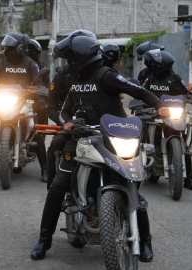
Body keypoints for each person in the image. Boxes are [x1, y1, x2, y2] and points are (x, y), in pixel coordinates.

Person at [30, 32, 171, 262]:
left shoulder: (107, 76)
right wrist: (65, 122)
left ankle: (144, 241)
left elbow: (139, 91)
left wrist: (159, 105)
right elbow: (65, 109)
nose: (67, 64)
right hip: (83, 139)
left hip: (115, 138)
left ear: (79, 59)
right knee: (58, 187)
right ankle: (44, 240)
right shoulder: (76, 81)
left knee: (132, 183)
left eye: (70, 60)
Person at [0, 33, 48, 182]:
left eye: (7, 47)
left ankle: (44, 170)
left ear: (18, 48)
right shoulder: (2, 63)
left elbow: (39, 82)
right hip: (3, 100)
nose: (5, 50)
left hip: (24, 102)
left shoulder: (30, 64)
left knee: (36, 132)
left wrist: (36, 89)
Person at [45, 30, 97, 189]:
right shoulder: (62, 75)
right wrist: (66, 123)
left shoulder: (103, 73)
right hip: (68, 128)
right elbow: (51, 109)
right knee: (54, 149)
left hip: (97, 129)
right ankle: (52, 188)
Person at [141, 49, 192, 191]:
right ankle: (138, 166)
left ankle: (189, 178)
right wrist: (139, 102)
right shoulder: (148, 77)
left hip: (173, 114)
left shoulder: (174, 78)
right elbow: (140, 91)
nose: (151, 65)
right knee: (140, 131)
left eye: (153, 63)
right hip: (154, 114)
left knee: (183, 141)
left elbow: (186, 92)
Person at [26, 39, 49, 127]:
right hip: (17, 96)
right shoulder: (19, 65)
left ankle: (39, 134)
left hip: (35, 96)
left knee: (42, 107)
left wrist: (43, 98)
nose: (31, 55)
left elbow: (46, 83)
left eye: (34, 52)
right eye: (28, 52)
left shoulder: (41, 67)